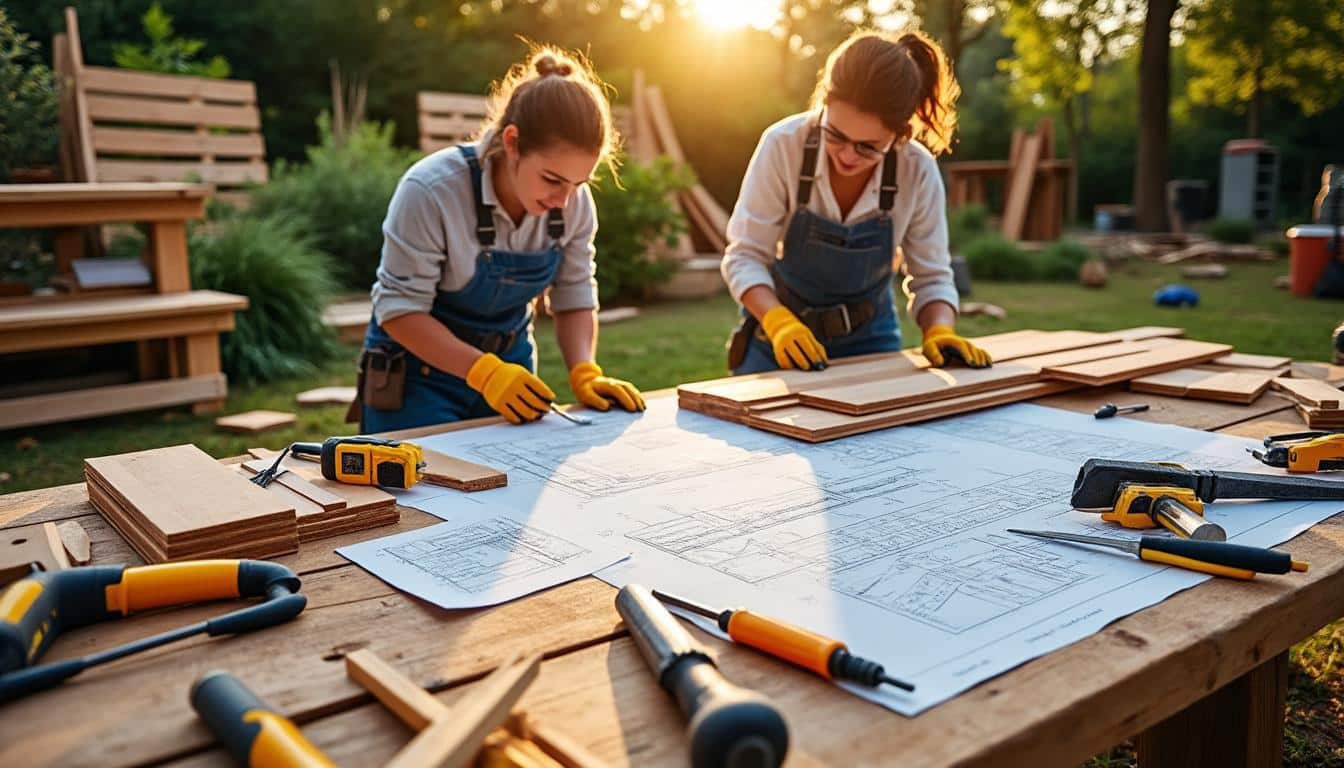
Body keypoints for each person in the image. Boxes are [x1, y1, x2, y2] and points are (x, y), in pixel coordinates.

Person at [358, 47, 645, 432]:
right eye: (552, 179)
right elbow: (399, 311)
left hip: (511, 366)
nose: (564, 200)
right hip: (415, 376)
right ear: (512, 142)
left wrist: (584, 371)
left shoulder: (574, 202)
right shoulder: (430, 191)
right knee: (422, 491)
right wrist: (484, 373)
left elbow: (574, 294)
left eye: (580, 183)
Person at [721, 30, 991, 374]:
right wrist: (778, 322)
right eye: (835, 135)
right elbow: (744, 256)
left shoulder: (917, 169)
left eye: (868, 146)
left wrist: (939, 328)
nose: (847, 156)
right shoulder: (782, 146)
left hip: (870, 338)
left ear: (900, 134)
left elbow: (932, 277)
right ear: (824, 104)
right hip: (775, 341)